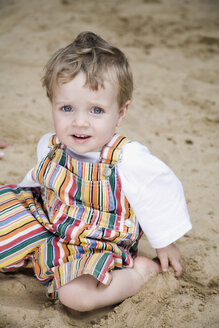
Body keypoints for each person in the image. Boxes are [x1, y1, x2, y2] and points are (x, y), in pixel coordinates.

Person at [0, 31, 192, 312]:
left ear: (121, 112)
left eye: (96, 111)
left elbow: (159, 190)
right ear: (52, 104)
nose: (79, 122)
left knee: (76, 296)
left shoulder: (127, 159)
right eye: (66, 108)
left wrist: (165, 243)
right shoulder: (51, 144)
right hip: (51, 221)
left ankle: (137, 274)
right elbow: (40, 180)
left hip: (96, 243)